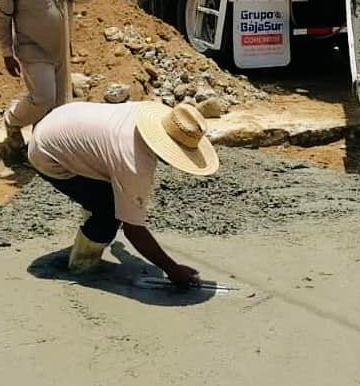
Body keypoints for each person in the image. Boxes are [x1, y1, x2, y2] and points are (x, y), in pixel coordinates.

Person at [26, 100, 218, 288]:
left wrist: (120, 250)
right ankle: (82, 265)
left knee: (110, 195)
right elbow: (133, 230)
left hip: (60, 119)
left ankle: (91, 229)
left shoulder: (143, 114)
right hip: (48, 153)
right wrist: (172, 269)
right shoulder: (134, 163)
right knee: (108, 213)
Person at [0, 0, 91, 146]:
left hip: (61, 48)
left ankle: (42, 148)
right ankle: (12, 121)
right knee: (43, 98)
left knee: (58, 107)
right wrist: (7, 53)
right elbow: (2, 17)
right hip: (32, 49)